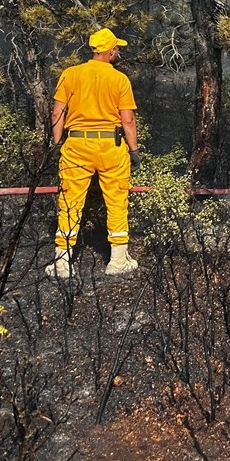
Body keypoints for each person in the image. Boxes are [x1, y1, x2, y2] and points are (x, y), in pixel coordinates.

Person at [45, 28, 142, 279]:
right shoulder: (119, 80)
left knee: (70, 201)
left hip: (76, 145)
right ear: (110, 52)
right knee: (116, 199)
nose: (118, 51)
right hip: (111, 146)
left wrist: (56, 145)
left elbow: (57, 113)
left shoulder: (70, 74)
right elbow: (128, 120)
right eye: (117, 48)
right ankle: (117, 259)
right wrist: (134, 150)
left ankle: (62, 262)